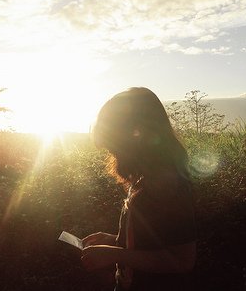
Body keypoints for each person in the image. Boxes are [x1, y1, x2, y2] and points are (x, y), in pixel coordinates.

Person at [81, 87, 197, 290]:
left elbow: (182, 260)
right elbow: (151, 241)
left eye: (114, 145)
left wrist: (114, 254)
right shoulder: (145, 178)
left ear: (136, 135)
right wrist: (115, 240)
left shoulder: (169, 184)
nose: (112, 154)